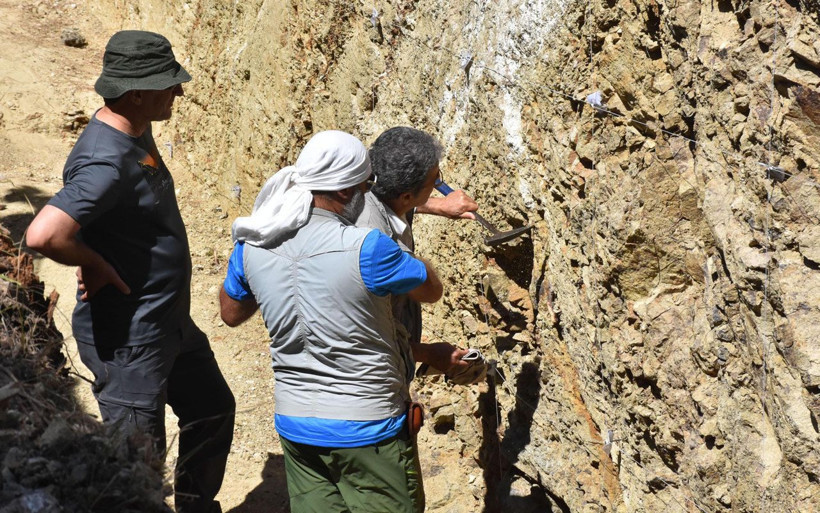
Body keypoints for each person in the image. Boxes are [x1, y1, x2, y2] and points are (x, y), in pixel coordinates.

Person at [25, 30, 235, 513]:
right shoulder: (106, 161)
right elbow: (41, 235)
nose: (179, 92)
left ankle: (195, 505)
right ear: (136, 92)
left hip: (168, 324)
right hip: (130, 342)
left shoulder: (134, 125)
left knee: (212, 408)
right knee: (138, 470)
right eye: (169, 84)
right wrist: (92, 260)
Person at [219, 130, 442, 513]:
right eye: (365, 185)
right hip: (368, 426)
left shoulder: (251, 245)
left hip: (296, 424)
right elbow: (431, 289)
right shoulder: (369, 249)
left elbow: (231, 313)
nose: (369, 192)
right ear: (345, 193)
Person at [358, 126, 486, 383]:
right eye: (435, 183)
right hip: (370, 386)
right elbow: (365, 341)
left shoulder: (359, 188)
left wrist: (440, 205)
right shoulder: (380, 248)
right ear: (407, 195)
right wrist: (429, 354)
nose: (439, 187)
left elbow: (391, 201)